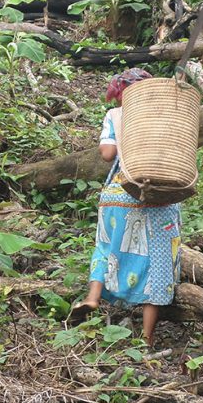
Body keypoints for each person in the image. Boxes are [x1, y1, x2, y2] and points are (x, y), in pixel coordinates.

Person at [68, 68, 182, 346]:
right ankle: (147, 338)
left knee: (106, 246)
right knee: (157, 261)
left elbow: (107, 154)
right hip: (158, 194)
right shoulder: (164, 114)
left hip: (119, 193)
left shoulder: (114, 115)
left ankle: (93, 297)